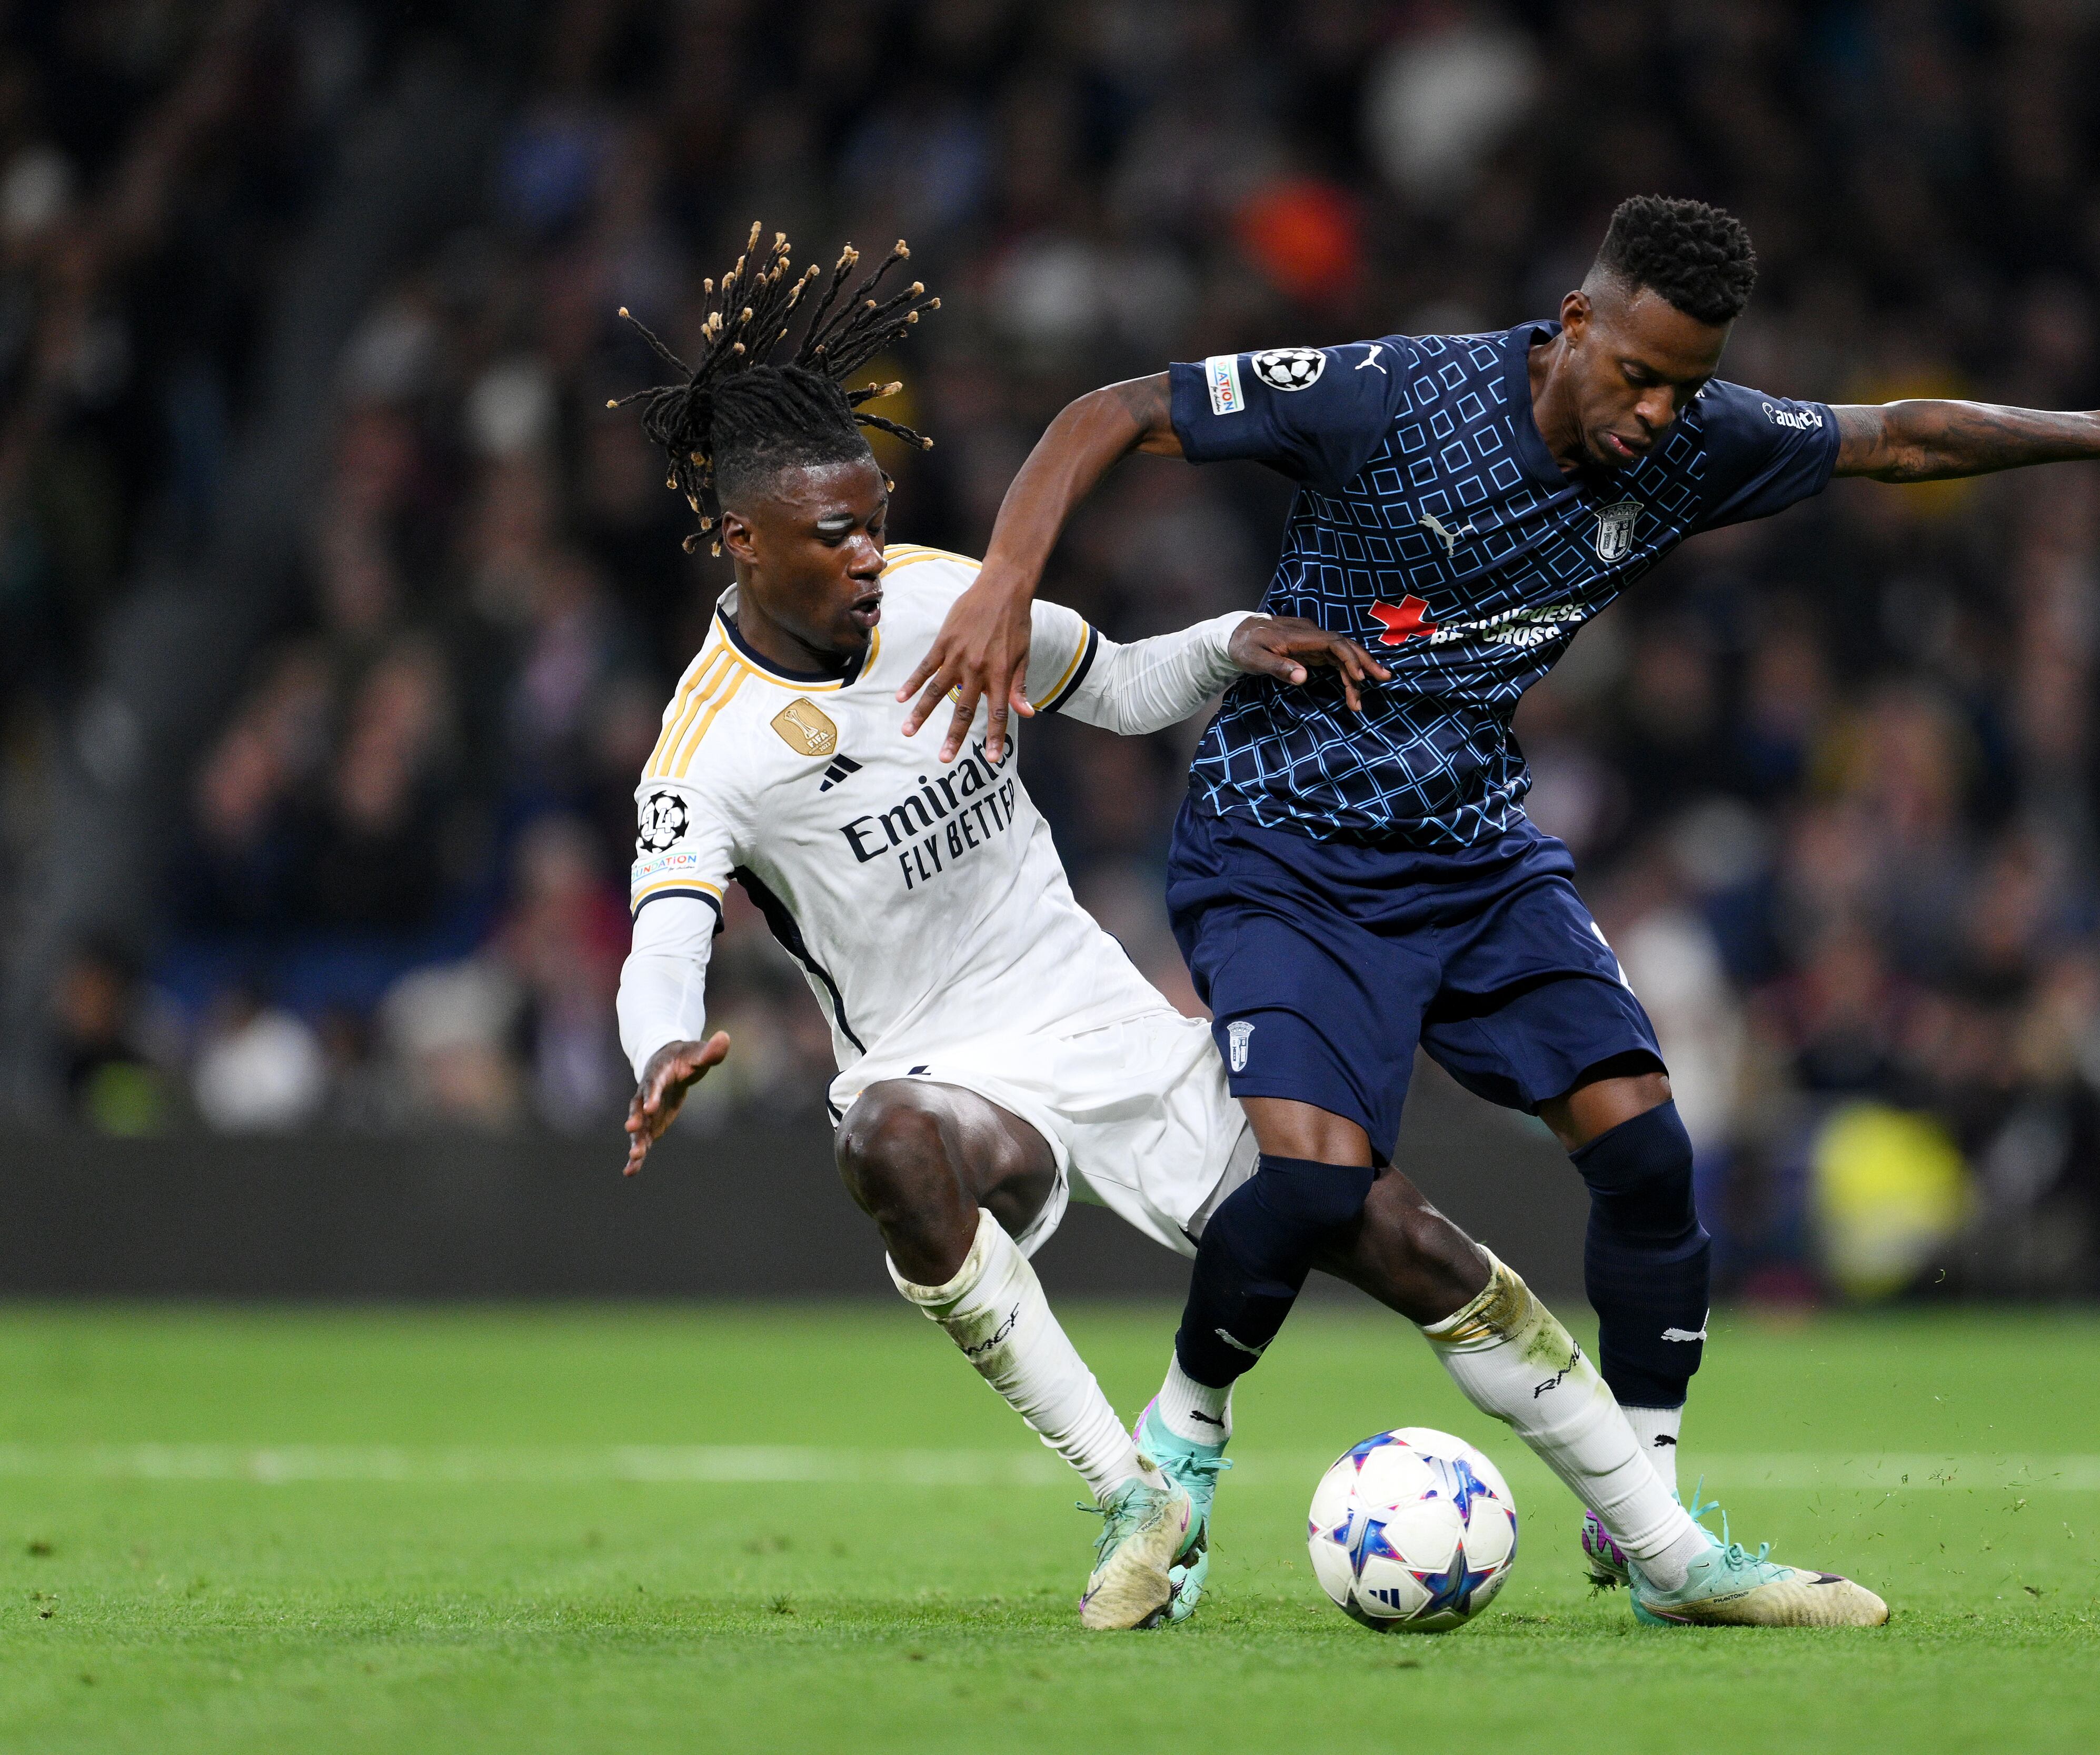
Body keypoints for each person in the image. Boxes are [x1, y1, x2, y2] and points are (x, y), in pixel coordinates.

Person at [898, 194, 2100, 1626]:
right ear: (1574, 326)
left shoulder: (1693, 442)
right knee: (1311, 1187)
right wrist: (1008, 579)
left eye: (1686, 384)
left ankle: (1656, 1534)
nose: (1658, 412)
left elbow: (1898, 435)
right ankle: (1183, 1445)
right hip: (1287, 844)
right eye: (1637, 375)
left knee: (1647, 1150)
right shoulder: (1400, 394)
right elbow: (1115, 407)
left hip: (1476, 853)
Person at [608, 226, 1882, 1636]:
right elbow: (665, 926)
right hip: (937, 1070)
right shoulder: (709, 746)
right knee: (889, 1146)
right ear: (742, 539)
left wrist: (1232, 644)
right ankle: (1135, 1494)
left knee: (1392, 1235)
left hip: (1100, 1019)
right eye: (833, 536)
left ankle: (1675, 1559)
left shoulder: (932, 596)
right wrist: (662, 1042)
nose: (869, 556)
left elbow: (1117, 688)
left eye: (874, 517)